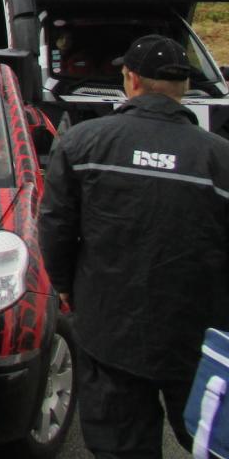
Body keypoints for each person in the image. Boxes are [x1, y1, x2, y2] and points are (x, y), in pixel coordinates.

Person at [39, 34, 229, 459]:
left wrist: (66, 285)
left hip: (109, 327)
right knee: (208, 441)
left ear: (131, 79)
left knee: (120, 445)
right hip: (196, 334)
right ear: (183, 88)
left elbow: (55, 225)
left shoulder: (82, 143)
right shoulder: (220, 158)